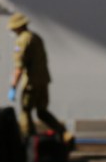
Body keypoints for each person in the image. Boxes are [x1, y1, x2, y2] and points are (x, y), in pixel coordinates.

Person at [7, 12, 69, 144]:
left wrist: (13, 86)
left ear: (18, 27)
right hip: (43, 81)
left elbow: (19, 67)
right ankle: (63, 133)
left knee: (25, 111)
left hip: (31, 83)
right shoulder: (37, 37)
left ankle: (29, 142)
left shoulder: (22, 40)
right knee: (42, 111)